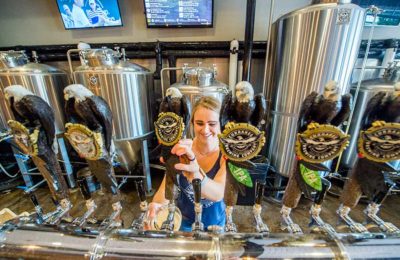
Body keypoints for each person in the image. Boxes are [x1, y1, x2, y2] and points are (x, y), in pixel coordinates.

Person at [147, 96, 227, 232]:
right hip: (185, 222)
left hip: (215, 224)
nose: (206, 130)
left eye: (212, 124)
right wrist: (157, 205)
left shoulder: (226, 154)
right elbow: (166, 186)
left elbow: (219, 193)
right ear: (192, 124)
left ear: (221, 124)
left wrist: (196, 174)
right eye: (200, 123)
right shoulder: (182, 149)